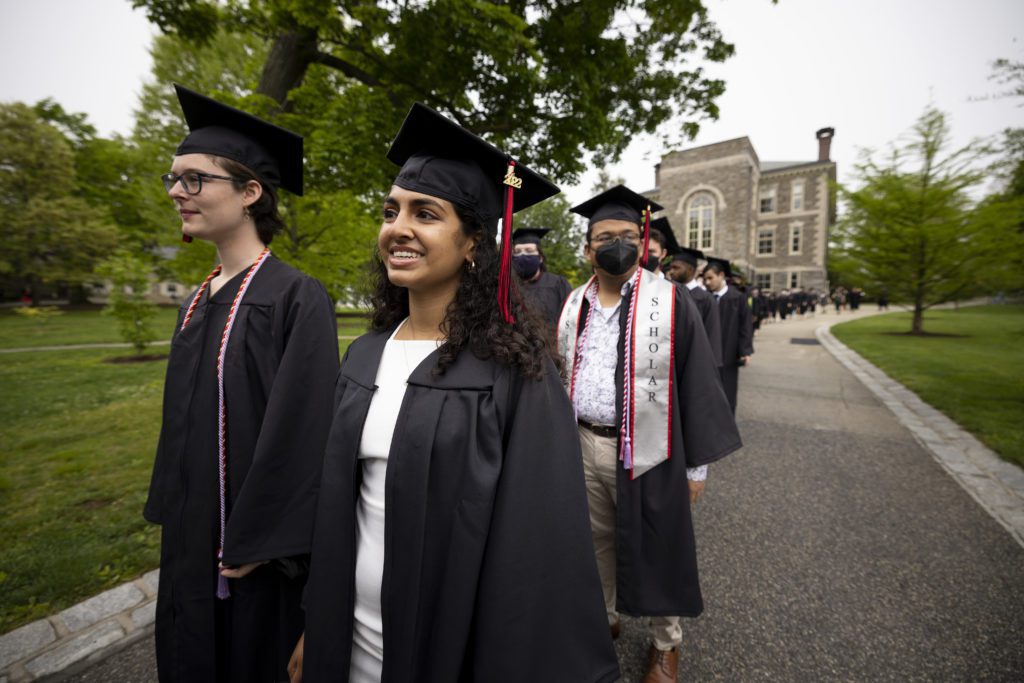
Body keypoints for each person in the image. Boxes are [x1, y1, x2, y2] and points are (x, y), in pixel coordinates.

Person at [296, 103, 619, 683]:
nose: (399, 228)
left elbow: (538, 551)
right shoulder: (364, 354)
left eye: (426, 214)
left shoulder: (514, 375)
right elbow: (336, 504)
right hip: (346, 638)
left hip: (449, 650)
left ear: (473, 244)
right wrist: (312, 624)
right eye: (391, 211)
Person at [144, 85, 340, 682]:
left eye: (196, 179)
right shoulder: (196, 300)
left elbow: (303, 433)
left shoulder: (294, 297)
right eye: (173, 177)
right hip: (190, 538)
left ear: (251, 192)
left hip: (252, 554)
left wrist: (262, 541)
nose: (178, 191)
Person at [558, 185, 741, 683]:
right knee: (594, 539)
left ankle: (666, 644)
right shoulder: (574, 305)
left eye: (626, 235)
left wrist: (696, 468)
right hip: (583, 441)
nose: (615, 244)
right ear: (587, 248)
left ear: (642, 242)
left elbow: (699, 383)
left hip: (649, 448)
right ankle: (606, 616)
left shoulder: (670, 301)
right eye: (603, 237)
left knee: (660, 545)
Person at [703, 258, 753, 415]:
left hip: (729, 351)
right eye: (705, 279)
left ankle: (727, 423)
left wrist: (745, 350)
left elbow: (745, 326)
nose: (707, 282)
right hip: (708, 351)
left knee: (728, 389)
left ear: (721, 275)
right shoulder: (704, 298)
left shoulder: (737, 297)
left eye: (711, 278)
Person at [666, 244, 723, 368]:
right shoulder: (667, 294)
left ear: (691, 270)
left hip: (696, 362)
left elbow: (712, 335)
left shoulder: (706, 299)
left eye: (676, 268)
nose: (671, 272)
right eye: (670, 268)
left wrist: (710, 366)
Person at [511, 226, 573, 327]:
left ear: (540, 257)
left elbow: (571, 320)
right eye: (517, 252)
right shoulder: (508, 287)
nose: (522, 256)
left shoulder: (558, 284)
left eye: (529, 251)